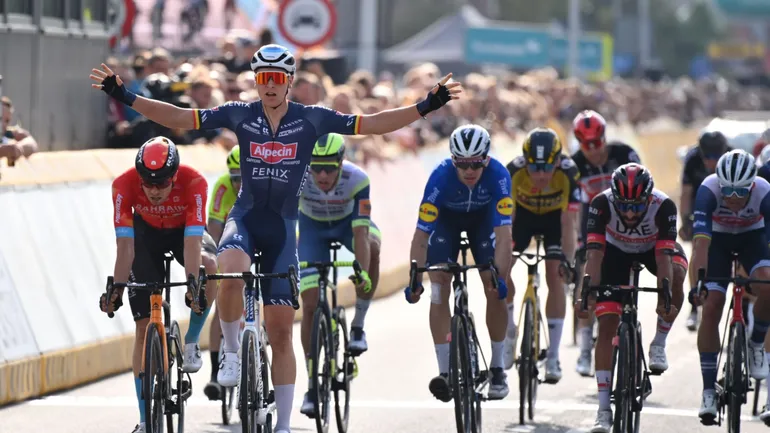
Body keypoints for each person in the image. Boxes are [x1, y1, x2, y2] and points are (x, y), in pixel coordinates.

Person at [90, 43, 461, 433]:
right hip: (247, 218)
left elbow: (371, 123)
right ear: (256, 81)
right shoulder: (240, 114)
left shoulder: (312, 119)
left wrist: (425, 106)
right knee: (229, 268)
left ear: (288, 82)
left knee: (282, 332)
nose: (269, 86)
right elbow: (180, 116)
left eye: (276, 79)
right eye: (262, 79)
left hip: (284, 227)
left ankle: (282, 424)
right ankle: (231, 351)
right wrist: (125, 96)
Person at [99, 137, 219, 433]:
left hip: (184, 234)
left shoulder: (194, 182)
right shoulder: (123, 185)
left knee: (210, 267)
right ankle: (144, 418)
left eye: (162, 183)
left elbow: (192, 243)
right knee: (143, 327)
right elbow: (125, 247)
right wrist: (117, 289)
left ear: (174, 176)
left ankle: (191, 339)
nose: (154, 191)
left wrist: (193, 286)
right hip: (146, 237)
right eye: (147, 184)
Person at [404, 124, 513, 402]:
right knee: (438, 285)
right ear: (453, 160)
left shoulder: (499, 176)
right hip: (446, 224)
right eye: (462, 163)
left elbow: (504, 238)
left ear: (486, 158)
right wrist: (414, 278)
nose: (469, 170)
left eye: (476, 163)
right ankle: (446, 373)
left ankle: (498, 367)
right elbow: (420, 237)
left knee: (492, 284)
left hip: (483, 221)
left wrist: (500, 278)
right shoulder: (440, 178)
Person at [576, 163, 686, 432]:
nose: (628, 212)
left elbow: (663, 259)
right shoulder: (601, 203)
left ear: (648, 199)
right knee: (606, 326)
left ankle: (659, 342)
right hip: (614, 253)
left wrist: (665, 295)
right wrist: (587, 294)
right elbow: (594, 256)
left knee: (677, 273)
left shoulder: (664, 206)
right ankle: (603, 410)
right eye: (623, 205)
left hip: (653, 250)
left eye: (636, 206)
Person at [297, 132, 382, 416]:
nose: (321, 174)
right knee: (309, 306)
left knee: (372, 245)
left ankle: (358, 323)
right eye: (315, 167)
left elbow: (360, 230)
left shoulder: (358, 179)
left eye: (328, 168)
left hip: (348, 227)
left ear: (341, 162)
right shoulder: (298, 175)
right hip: (312, 230)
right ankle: (311, 385)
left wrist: (361, 271)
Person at [689, 149, 770, 424]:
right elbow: (700, 245)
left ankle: (756, 343)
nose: (733, 198)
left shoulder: (765, 192)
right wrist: (697, 283)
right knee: (711, 305)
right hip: (718, 242)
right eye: (728, 191)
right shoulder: (708, 191)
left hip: (752, 238)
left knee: (768, 285)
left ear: (752, 185)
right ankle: (709, 390)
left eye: (740, 192)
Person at [503, 128, 580, 383]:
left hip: (554, 223)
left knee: (555, 276)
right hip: (522, 219)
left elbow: (569, 222)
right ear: (525, 161)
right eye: (534, 169)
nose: (539, 175)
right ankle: (510, 329)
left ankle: (554, 355)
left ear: (557, 162)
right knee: (500, 270)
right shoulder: (512, 172)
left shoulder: (569, 173)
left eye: (546, 169)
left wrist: (567, 263)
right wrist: (503, 259)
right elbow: (505, 223)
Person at [570, 110, 641, 377]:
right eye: (586, 145)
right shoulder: (574, 164)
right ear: (578, 142)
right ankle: (586, 348)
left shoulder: (624, 154)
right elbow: (574, 207)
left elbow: (643, 187)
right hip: (592, 218)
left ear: (604, 138)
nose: (593, 150)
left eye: (597, 143)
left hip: (626, 220)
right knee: (585, 277)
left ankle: (629, 320)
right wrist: (579, 242)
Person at [679, 131, 731, 332]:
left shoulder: (732, 156)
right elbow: (686, 192)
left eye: (716, 157)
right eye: (707, 157)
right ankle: (694, 306)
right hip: (701, 208)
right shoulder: (692, 159)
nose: (712, 162)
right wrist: (685, 221)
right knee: (697, 252)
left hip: (727, 209)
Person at [203, 146, 241, 401]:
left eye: (244, 178)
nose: (239, 184)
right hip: (228, 244)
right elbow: (214, 229)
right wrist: (215, 263)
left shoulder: (262, 185)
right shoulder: (223, 187)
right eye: (235, 178)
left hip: (254, 243)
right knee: (222, 306)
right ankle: (215, 373)